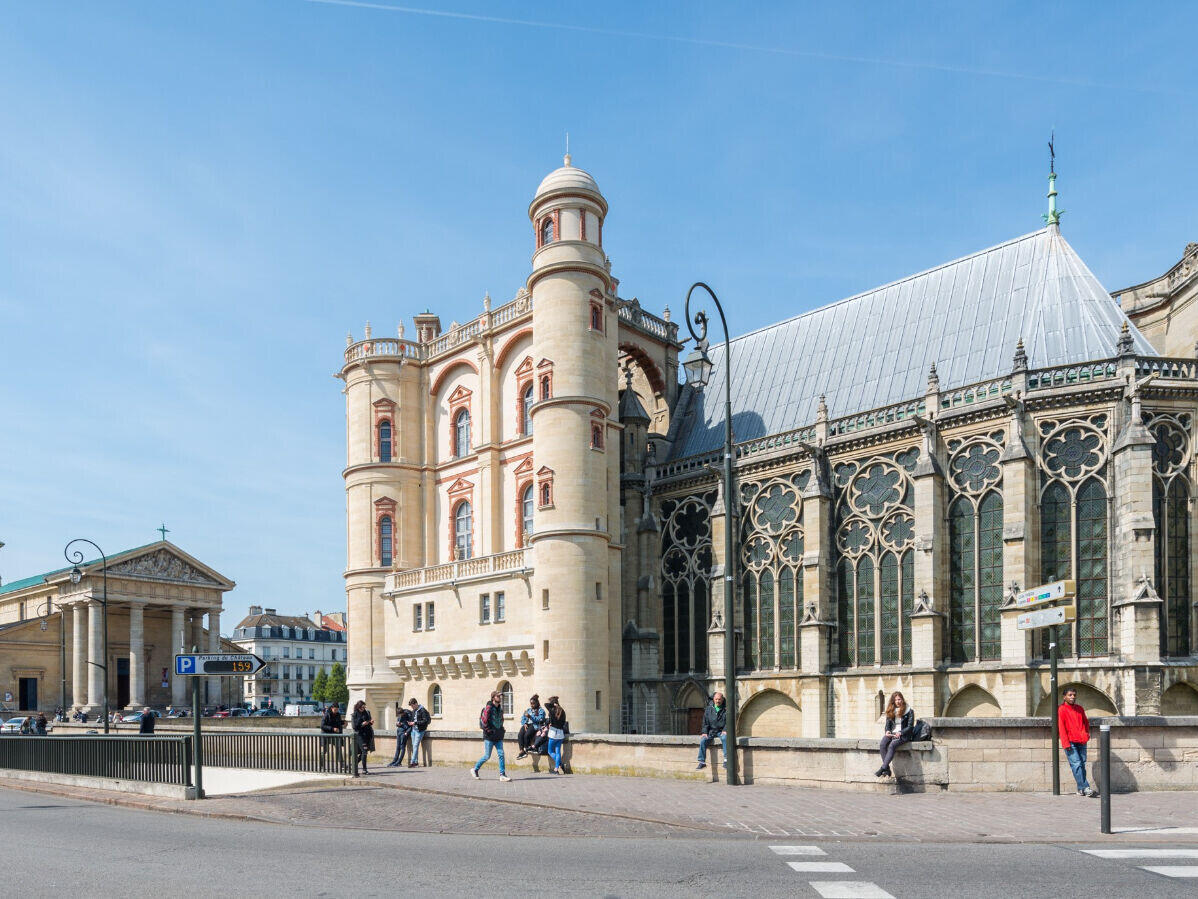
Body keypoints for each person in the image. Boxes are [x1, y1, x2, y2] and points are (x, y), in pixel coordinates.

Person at [1059, 687, 1098, 797]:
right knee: (1076, 764)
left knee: (1081, 764)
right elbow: (1061, 727)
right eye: (1070, 695)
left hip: (1081, 740)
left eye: (1074, 695)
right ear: (1064, 697)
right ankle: (1086, 788)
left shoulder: (1080, 708)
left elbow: (1086, 723)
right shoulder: (1061, 709)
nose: (1072, 697)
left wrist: (1085, 734)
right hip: (1070, 741)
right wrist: (1065, 743)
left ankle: (1080, 789)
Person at [471, 690, 511, 781]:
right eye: (498, 696)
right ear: (493, 698)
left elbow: (501, 720)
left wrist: (501, 729)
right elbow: (484, 721)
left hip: (498, 736)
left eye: (500, 696)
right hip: (489, 737)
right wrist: (489, 730)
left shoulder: (500, 708)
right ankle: (475, 769)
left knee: (501, 754)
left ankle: (502, 775)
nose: (499, 698)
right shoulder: (488, 708)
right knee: (487, 756)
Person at [876, 691, 915, 777]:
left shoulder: (909, 711)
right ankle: (887, 769)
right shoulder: (891, 710)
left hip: (904, 735)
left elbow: (910, 727)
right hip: (892, 733)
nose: (898, 701)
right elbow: (887, 725)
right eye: (896, 700)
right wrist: (887, 731)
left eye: (899, 699)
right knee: (883, 744)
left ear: (902, 699)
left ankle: (883, 768)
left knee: (892, 745)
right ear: (893, 701)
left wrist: (900, 732)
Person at [696, 692, 727, 770]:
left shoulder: (726, 709)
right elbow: (705, 722)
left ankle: (726, 760)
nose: (717, 701)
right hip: (712, 731)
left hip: (721, 731)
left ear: (722, 699)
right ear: (713, 699)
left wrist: (725, 730)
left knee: (725, 738)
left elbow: (729, 721)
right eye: (716, 699)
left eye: (719, 699)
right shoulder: (709, 709)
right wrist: (704, 732)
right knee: (703, 740)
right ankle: (702, 762)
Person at [516, 694, 547, 760]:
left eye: (533, 703)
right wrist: (524, 723)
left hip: (535, 725)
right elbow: (523, 718)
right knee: (520, 734)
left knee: (527, 735)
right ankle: (522, 751)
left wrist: (530, 717)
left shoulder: (541, 711)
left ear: (537, 703)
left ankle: (527, 749)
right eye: (531, 703)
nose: (531, 705)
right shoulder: (528, 710)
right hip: (527, 724)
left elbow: (539, 720)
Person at [387, 701, 414, 767]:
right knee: (398, 747)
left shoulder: (408, 715)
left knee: (402, 747)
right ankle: (394, 761)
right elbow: (398, 723)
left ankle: (399, 762)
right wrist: (397, 724)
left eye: (400, 715)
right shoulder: (400, 715)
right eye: (399, 715)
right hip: (399, 732)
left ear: (403, 713)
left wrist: (406, 733)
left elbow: (410, 726)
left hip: (404, 733)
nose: (399, 716)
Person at [545, 696, 568, 775]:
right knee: (558, 752)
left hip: (553, 733)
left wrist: (553, 704)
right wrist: (556, 704)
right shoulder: (562, 710)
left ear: (552, 703)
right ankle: (557, 768)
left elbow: (546, 704)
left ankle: (559, 765)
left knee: (550, 751)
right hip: (560, 733)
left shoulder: (552, 710)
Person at [351, 700, 375, 774]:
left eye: (364, 707)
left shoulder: (367, 713)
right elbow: (354, 727)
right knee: (364, 752)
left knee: (363, 753)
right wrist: (362, 724)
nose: (363, 708)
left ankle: (352, 765)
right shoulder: (354, 714)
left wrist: (370, 722)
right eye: (362, 707)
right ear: (358, 707)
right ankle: (364, 769)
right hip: (360, 735)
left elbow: (369, 721)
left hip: (367, 735)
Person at [320, 702, 346, 771]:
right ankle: (321, 765)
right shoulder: (326, 715)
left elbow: (338, 722)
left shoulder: (338, 714)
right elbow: (322, 726)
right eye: (335, 710)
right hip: (326, 735)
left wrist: (343, 722)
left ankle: (342, 764)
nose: (336, 711)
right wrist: (332, 728)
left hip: (335, 735)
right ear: (332, 708)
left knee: (339, 749)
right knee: (324, 750)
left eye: (337, 710)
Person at [407, 697, 431, 767]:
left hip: (420, 730)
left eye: (412, 706)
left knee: (415, 746)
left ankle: (412, 762)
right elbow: (413, 719)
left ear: (416, 703)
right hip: (413, 730)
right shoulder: (414, 710)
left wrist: (415, 723)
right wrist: (410, 723)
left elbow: (425, 721)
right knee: (414, 746)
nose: (412, 707)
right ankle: (416, 762)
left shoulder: (422, 710)